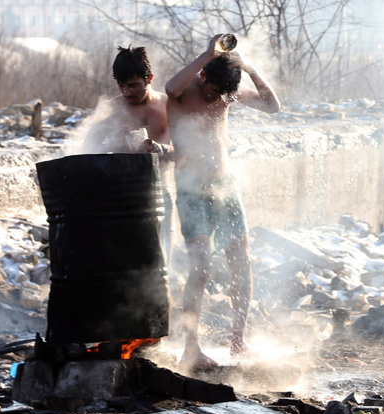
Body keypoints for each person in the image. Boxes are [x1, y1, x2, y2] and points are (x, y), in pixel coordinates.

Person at [165, 34, 280, 370]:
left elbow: (272, 107)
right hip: (190, 187)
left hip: (225, 187)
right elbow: (171, 87)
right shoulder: (185, 91)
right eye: (213, 89)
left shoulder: (228, 94)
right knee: (200, 264)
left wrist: (249, 67)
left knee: (241, 262)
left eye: (223, 93)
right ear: (204, 76)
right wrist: (206, 55)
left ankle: (238, 339)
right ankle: (192, 348)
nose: (216, 98)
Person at [82, 46, 175, 267]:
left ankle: (164, 298)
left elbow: (186, 152)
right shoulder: (111, 109)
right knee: (125, 259)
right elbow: (86, 150)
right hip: (121, 193)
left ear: (149, 78)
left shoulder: (167, 106)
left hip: (160, 191)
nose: (127, 92)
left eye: (133, 85)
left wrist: (160, 150)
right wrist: (115, 144)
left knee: (162, 259)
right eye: (121, 86)